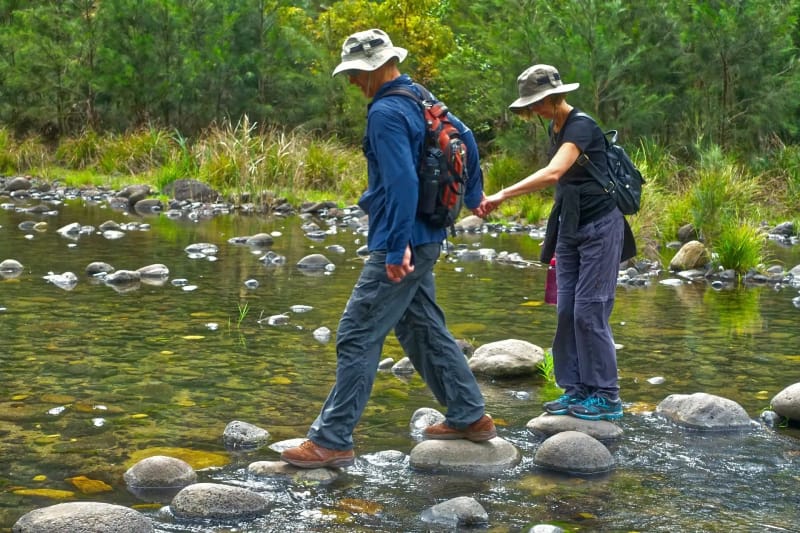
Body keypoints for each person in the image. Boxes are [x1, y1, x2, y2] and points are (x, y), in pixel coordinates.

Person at [280, 28, 495, 469]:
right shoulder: (421, 96)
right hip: (430, 234)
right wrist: (473, 195)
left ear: (378, 66)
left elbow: (401, 183)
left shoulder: (386, 112)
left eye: (357, 73)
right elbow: (467, 138)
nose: (353, 81)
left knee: (357, 332)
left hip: (403, 241)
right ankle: (470, 416)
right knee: (421, 329)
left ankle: (332, 439)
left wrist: (396, 248)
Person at [480, 64, 635, 421]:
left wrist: (502, 194)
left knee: (589, 311)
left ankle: (607, 396)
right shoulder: (555, 126)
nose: (532, 110)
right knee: (567, 311)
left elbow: (553, 173)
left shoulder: (582, 125)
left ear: (554, 96)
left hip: (600, 226)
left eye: (536, 103)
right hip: (569, 228)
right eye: (529, 105)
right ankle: (576, 389)